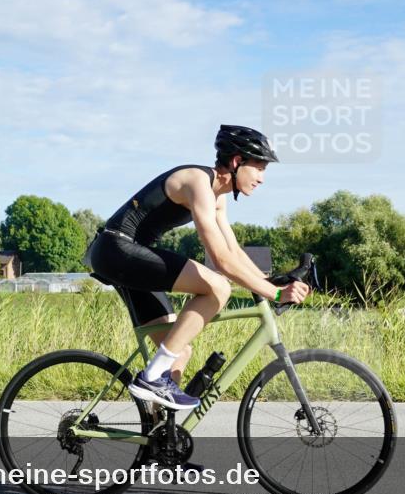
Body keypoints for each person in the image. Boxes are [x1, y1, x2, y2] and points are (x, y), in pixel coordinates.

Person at [87, 125, 310, 410]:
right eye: (259, 168)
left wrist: (271, 282)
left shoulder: (218, 197)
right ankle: (151, 377)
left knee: (178, 351)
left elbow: (233, 251)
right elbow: (220, 260)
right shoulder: (198, 183)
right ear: (236, 161)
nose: (262, 178)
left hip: (129, 257)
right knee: (218, 287)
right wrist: (275, 295)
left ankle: (158, 444)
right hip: (117, 250)